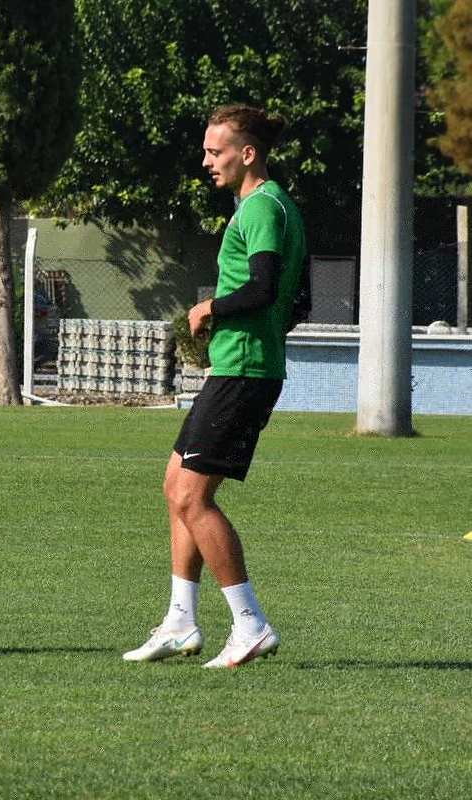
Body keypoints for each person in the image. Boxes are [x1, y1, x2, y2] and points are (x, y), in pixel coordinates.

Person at [123, 104, 306, 668]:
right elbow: (297, 301)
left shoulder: (264, 207)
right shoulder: (264, 207)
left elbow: (265, 289)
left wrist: (210, 309)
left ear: (246, 154)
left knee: (192, 497)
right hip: (237, 367)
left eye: (214, 151)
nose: (206, 161)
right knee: (175, 484)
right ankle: (181, 622)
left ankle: (250, 624)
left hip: (244, 372)